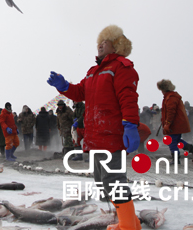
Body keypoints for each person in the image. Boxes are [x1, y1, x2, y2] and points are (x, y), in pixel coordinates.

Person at [47, 24, 142, 230]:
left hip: (111, 134)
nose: (100, 44)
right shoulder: (93, 71)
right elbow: (80, 92)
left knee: (113, 180)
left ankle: (127, 226)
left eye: (105, 41)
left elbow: (128, 97)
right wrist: (64, 86)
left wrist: (130, 125)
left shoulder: (121, 67)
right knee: (103, 182)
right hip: (95, 136)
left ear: (116, 45)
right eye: (99, 41)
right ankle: (130, 221)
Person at [157, 79, 193, 163]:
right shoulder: (171, 97)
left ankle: (176, 159)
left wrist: (168, 123)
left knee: (171, 141)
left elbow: (171, 112)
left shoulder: (171, 98)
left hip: (174, 124)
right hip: (176, 123)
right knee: (176, 141)